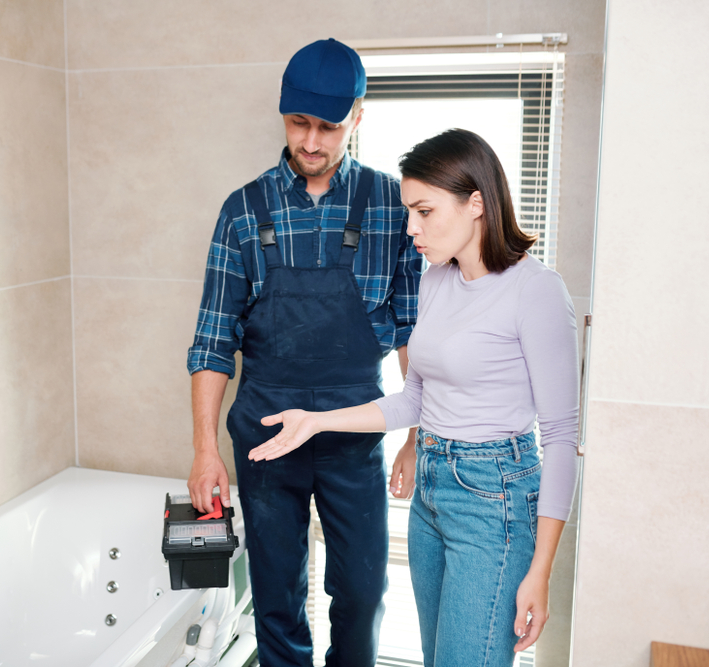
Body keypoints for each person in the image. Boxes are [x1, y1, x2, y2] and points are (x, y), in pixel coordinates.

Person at [248, 128, 579, 667]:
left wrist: (540, 569)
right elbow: (415, 401)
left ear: (476, 203)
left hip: (494, 499)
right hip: (431, 493)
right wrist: (316, 421)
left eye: (424, 211)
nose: (412, 228)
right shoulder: (437, 280)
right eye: (408, 211)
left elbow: (563, 438)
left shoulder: (536, 289)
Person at [186, 38, 422, 667]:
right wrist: (206, 450)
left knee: (363, 592)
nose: (312, 142)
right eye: (299, 123)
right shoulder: (242, 212)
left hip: (353, 437)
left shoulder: (390, 208)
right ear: (283, 115)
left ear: (358, 118)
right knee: (276, 599)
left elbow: (411, 332)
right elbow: (213, 339)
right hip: (264, 440)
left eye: (329, 126)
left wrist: (414, 434)